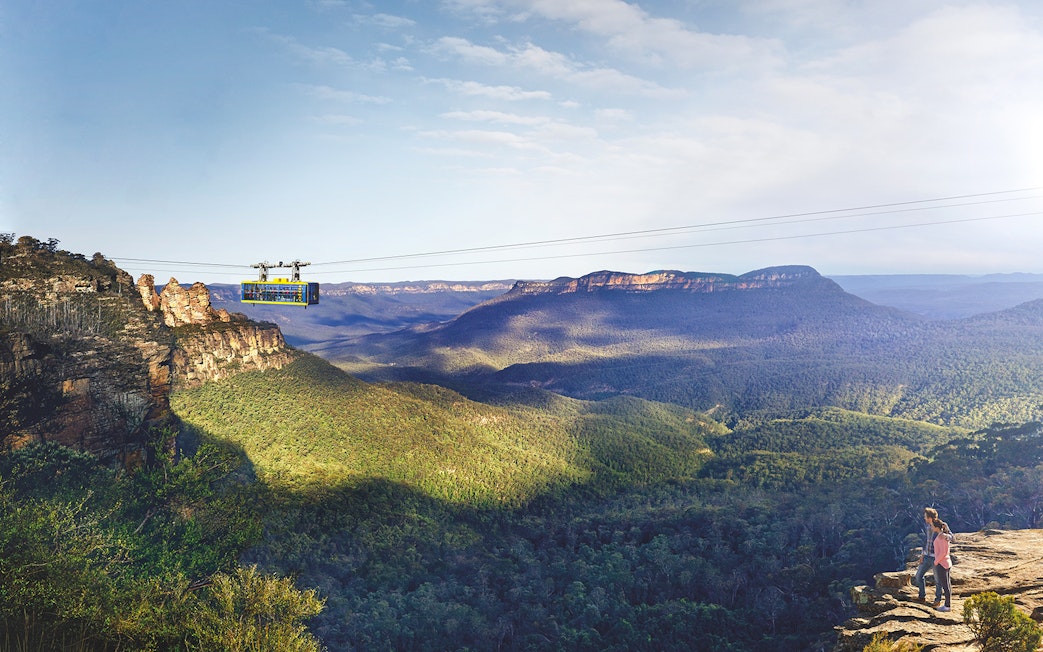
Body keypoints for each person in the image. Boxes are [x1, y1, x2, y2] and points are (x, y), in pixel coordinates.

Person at [913, 508, 942, 603]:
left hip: (936, 557)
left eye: (925, 516)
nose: (924, 518)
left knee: (938, 580)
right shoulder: (927, 526)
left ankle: (937, 600)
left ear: (930, 517)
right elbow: (926, 540)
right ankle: (922, 597)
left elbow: (951, 537)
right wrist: (922, 555)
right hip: (926, 556)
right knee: (918, 576)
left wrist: (943, 535)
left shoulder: (942, 525)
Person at [932, 519, 953, 611]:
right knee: (947, 585)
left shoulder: (941, 537)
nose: (931, 527)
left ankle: (947, 606)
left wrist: (936, 561)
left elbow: (943, 552)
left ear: (936, 527)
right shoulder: (944, 536)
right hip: (946, 562)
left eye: (933, 526)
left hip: (942, 563)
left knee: (945, 585)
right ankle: (947, 605)